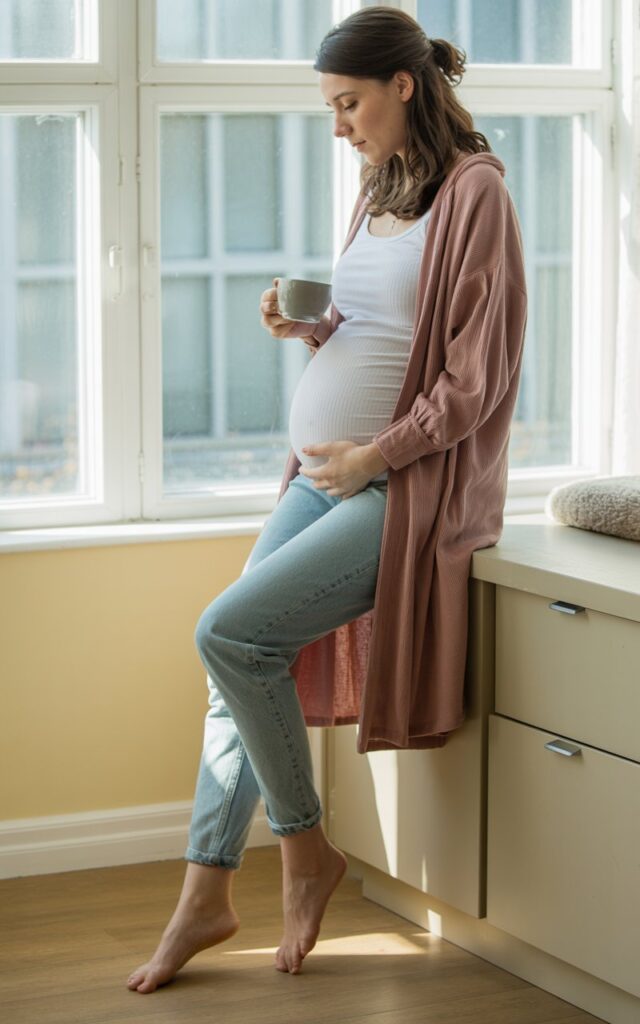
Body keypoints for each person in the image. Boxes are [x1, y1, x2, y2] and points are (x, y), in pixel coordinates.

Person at [126, 5, 527, 994]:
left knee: (227, 632)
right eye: (330, 107)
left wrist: (371, 458)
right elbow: (387, 331)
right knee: (232, 662)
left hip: (405, 487)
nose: (338, 124)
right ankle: (205, 893)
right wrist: (307, 328)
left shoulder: (478, 194)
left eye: (348, 103)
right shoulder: (375, 184)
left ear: (403, 84)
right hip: (325, 476)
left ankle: (304, 853)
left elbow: (474, 377)